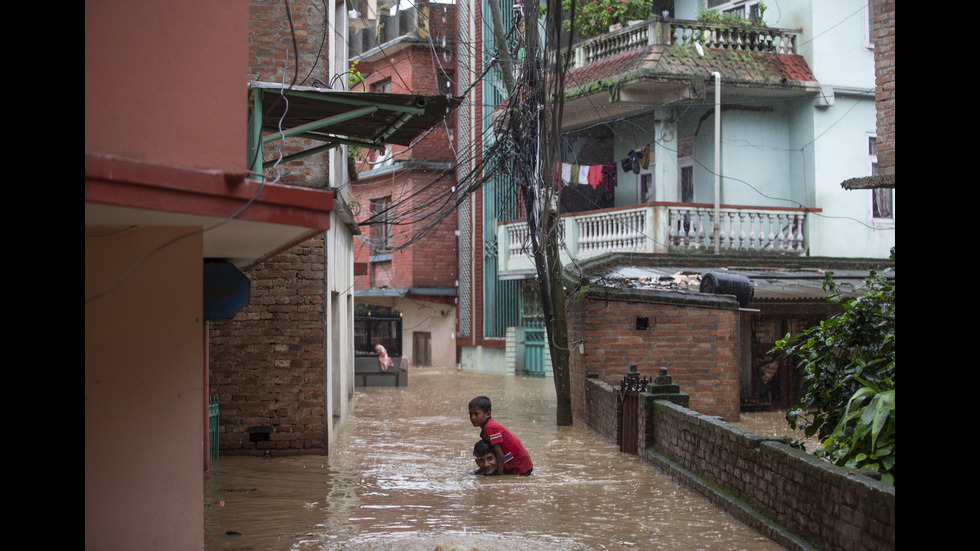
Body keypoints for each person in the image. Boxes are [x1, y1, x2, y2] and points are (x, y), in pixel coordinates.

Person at [467, 395, 533, 476]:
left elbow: (499, 455)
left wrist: (499, 477)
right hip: (519, 462)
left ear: (488, 414)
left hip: (519, 465)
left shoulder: (490, 428)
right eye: (470, 414)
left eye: (476, 414)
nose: (472, 418)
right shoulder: (488, 428)